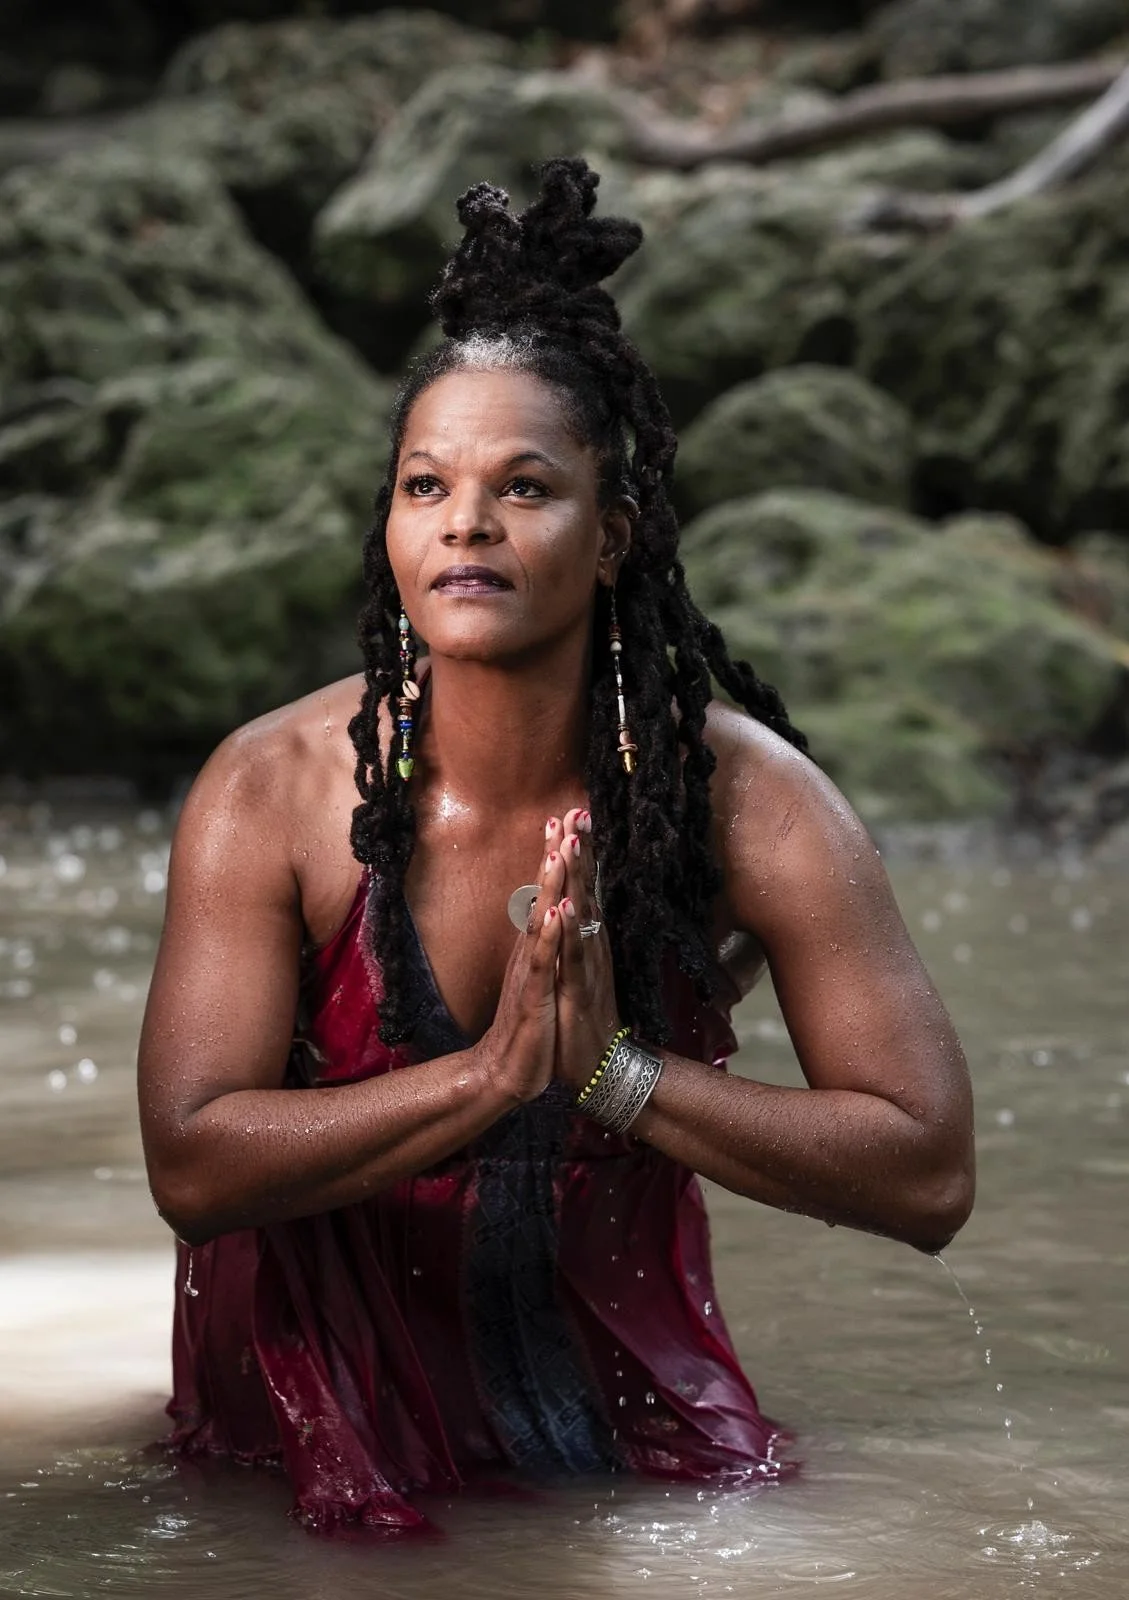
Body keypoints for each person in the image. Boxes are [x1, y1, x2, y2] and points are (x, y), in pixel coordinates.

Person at [137, 159, 974, 1534]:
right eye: (426, 485)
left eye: (524, 487)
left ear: (613, 537)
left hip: (624, 1420)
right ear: (392, 526)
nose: (466, 520)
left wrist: (615, 1075)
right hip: (302, 1436)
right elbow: (192, 1166)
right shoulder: (270, 791)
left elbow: (929, 1172)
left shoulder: (747, 805)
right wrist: (488, 1080)